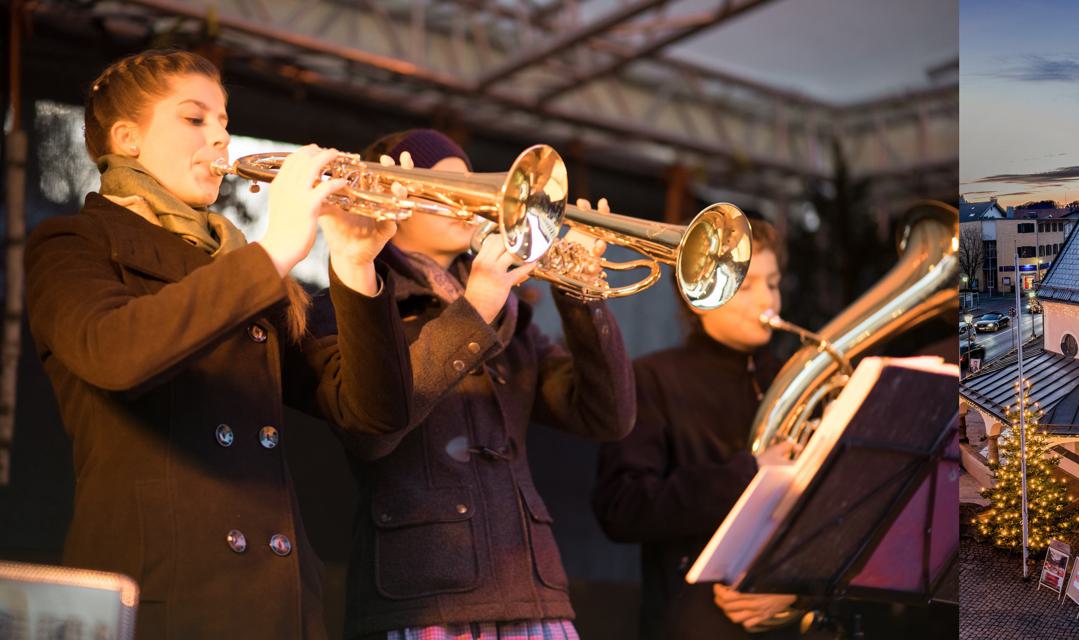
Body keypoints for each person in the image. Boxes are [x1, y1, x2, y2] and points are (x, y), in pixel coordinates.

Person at [26, 49, 419, 638]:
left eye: (224, 122)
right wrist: (274, 250)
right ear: (127, 138)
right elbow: (116, 353)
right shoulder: (71, 244)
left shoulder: (237, 266)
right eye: (194, 118)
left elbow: (375, 417)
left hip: (282, 606)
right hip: (164, 600)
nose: (221, 139)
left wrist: (355, 264)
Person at [314, 131, 638, 640]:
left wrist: (582, 291)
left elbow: (607, 416)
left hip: (531, 586)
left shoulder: (511, 314)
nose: (469, 200)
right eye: (445, 186)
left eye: (473, 185)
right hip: (423, 595)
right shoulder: (353, 304)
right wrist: (475, 309)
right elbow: (372, 434)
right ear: (392, 197)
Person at [594, 220, 812, 638]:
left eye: (773, 283)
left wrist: (798, 590)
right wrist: (748, 476)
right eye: (746, 286)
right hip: (693, 622)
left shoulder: (794, 379)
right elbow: (621, 508)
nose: (767, 300)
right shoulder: (652, 378)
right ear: (700, 296)